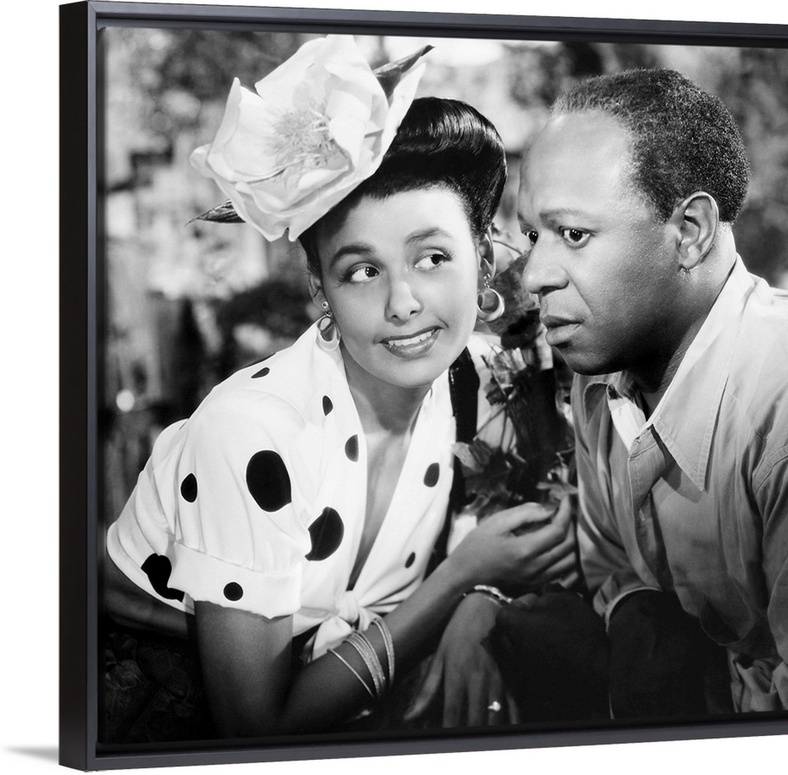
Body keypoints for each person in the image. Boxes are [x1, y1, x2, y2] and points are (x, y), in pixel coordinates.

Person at [102, 36, 574, 742]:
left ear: (482, 260)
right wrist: (456, 582)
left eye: (432, 257)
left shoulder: (486, 383)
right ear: (320, 288)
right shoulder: (254, 431)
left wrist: (478, 601)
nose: (404, 303)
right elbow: (256, 725)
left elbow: (536, 537)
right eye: (362, 271)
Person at [487, 66, 788, 716]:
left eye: (574, 234)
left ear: (690, 232)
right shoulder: (602, 376)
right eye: (532, 235)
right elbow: (616, 573)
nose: (534, 274)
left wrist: (666, 680)